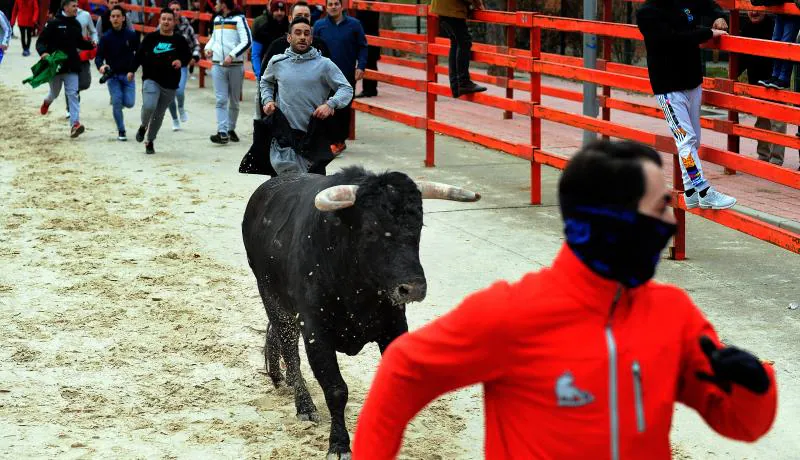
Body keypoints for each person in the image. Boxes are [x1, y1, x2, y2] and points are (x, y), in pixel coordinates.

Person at [352, 140, 777, 459]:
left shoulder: (674, 314)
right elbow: (403, 371)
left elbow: (740, 425)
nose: (671, 219)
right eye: (661, 205)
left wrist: (753, 388)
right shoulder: (512, 314)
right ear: (613, 220)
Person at [637, 0, 737, 210]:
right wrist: (708, 33)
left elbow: (708, 5)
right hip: (669, 88)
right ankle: (703, 190)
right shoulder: (647, 13)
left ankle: (691, 190)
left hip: (691, 81)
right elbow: (671, 40)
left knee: (693, 141)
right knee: (686, 140)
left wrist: (719, 16)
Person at [240, 0, 332, 177]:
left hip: (313, 121)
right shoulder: (277, 47)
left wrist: (331, 103)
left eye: (306, 16)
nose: (302, 19)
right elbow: (266, 81)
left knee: (315, 173)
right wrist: (267, 105)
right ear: (291, 19)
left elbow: (332, 80)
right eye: (299, 16)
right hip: (284, 120)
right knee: (282, 171)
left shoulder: (321, 47)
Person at [259, 17, 352, 174]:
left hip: (313, 137)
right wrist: (267, 100)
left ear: (311, 38)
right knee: (282, 189)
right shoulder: (277, 62)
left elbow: (346, 88)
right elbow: (265, 82)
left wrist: (331, 104)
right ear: (289, 37)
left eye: (306, 33)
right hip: (284, 136)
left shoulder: (324, 64)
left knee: (312, 190)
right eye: (298, 33)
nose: (302, 37)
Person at [131, 7, 191, 154]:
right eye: (163, 19)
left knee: (159, 114)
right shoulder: (150, 38)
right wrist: (131, 70)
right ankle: (143, 126)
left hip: (170, 83)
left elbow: (187, 56)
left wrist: (180, 61)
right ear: (159, 20)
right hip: (151, 78)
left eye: (169, 19)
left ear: (174, 22)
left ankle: (150, 141)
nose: (166, 22)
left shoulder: (179, 40)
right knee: (149, 106)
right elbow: (139, 55)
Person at [313, 0, 366, 154]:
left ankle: (339, 141)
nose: (333, 7)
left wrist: (361, 66)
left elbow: (363, 47)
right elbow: (314, 47)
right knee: (326, 106)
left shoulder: (355, 25)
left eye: (336, 3)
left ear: (342, 6)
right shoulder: (319, 25)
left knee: (343, 108)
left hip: (346, 74)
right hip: (324, 75)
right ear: (326, 7)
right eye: (330, 4)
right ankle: (330, 140)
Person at [36, 0, 94, 138]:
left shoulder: (76, 24)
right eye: (73, 6)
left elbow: (79, 42)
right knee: (54, 93)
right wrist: (43, 52)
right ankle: (47, 101)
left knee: (73, 94)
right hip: (55, 66)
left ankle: (75, 125)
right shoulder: (53, 23)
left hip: (72, 65)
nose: (76, 8)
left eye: (77, 6)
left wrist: (90, 45)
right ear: (65, 7)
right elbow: (41, 41)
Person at [739, 10, 788, 166]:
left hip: (776, 82)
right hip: (756, 81)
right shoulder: (746, 28)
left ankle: (776, 159)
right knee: (761, 121)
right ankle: (763, 155)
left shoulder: (775, 26)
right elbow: (741, 57)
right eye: (750, 9)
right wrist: (733, 74)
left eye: (758, 10)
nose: (753, 12)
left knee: (777, 122)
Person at [204, 0, 251, 145]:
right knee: (220, 99)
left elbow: (247, 41)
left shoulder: (239, 19)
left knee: (234, 101)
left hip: (235, 65)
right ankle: (222, 131)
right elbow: (214, 38)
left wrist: (232, 55)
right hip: (218, 64)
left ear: (224, 4)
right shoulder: (217, 19)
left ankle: (231, 128)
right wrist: (208, 47)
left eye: (218, 2)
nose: (216, 5)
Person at [95, 5, 139, 141]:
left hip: (128, 75)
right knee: (116, 101)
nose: (115, 19)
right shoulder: (106, 37)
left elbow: (140, 54)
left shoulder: (131, 35)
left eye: (118, 16)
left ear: (123, 18)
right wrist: (101, 66)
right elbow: (98, 57)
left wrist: (133, 69)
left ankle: (118, 105)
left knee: (130, 103)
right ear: (109, 19)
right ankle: (121, 131)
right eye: (113, 16)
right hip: (112, 76)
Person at [431, 0, 487, 98]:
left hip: (442, 8)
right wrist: (478, 3)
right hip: (452, 10)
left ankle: (456, 85)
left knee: (456, 43)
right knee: (464, 42)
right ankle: (463, 82)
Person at [165, 0, 200, 131]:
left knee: (179, 91)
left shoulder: (187, 27)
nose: (175, 12)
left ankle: (181, 107)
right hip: (166, 66)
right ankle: (175, 119)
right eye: (172, 9)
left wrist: (195, 56)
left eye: (177, 9)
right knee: (169, 94)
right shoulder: (163, 27)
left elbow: (196, 44)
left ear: (180, 11)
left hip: (182, 65)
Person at [757, 13, 800, 90]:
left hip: (793, 12)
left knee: (786, 42)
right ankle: (775, 75)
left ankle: (783, 78)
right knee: (776, 41)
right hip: (781, 11)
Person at [250, 0, 287, 79]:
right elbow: (255, 54)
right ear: (272, 11)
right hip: (266, 73)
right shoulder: (262, 28)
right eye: (276, 10)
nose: (279, 13)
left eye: (282, 10)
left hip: (285, 74)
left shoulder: (290, 27)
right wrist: (259, 74)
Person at [354, 7, 378, 98]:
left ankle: (369, 89)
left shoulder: (366, 5)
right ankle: (370, 89)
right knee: (370, 62)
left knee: (369, 61)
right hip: (368, 33)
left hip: (369, 33)